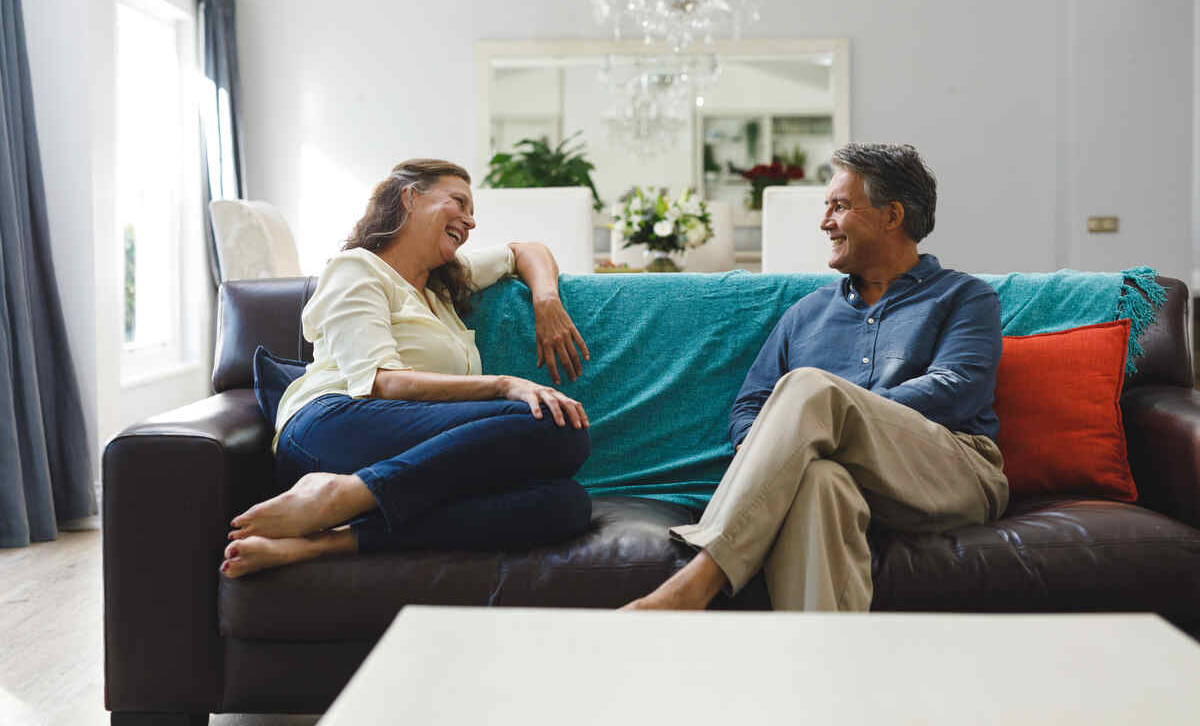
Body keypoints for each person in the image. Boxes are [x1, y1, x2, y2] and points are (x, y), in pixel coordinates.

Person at [623, 142, 1010, 611]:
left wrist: (834, 413)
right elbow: (751, 404)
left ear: (892, 216)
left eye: (840, 206)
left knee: (812, 390)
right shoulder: (806, 314)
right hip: (843, 476)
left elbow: (956, 389)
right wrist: (770, 444)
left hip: (951, 471)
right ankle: (819, 665)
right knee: (819, 482)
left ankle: (696, 581)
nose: (825, 221)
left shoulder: (965, 298)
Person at [221, 159, 593, 578]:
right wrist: (505, 385)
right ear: (409, 196)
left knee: (566, 504)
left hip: (404, 448)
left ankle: (330, 537)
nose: (469, 222)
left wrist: (547, 302)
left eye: (472, 214)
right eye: (459, 202)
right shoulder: (357, 269)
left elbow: (526, 250)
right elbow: (382, 382)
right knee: (561, 426)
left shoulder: (444, 286)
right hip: (331, 425)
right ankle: (345, 492)